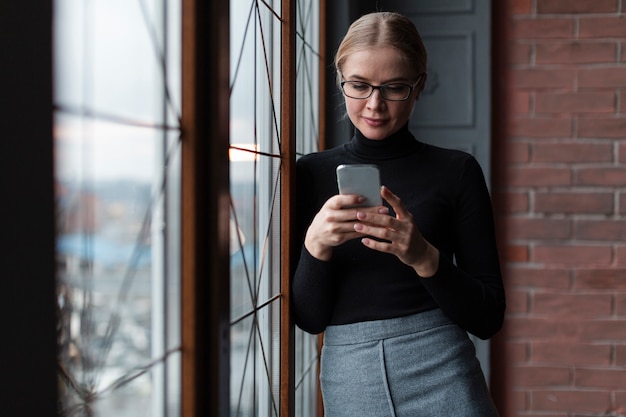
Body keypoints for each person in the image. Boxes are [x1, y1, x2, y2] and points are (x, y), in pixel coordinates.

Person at [292, 11, 505, 417]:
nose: (375, 104)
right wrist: (315, 245)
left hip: (443, 367)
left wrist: (424, 257)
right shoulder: (310, 174)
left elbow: (488, 317)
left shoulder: (457, 171)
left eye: (394, 88)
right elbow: (309, 318)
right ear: (341, 80)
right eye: (359, 86)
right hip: (350, 376)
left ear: (419, 85)